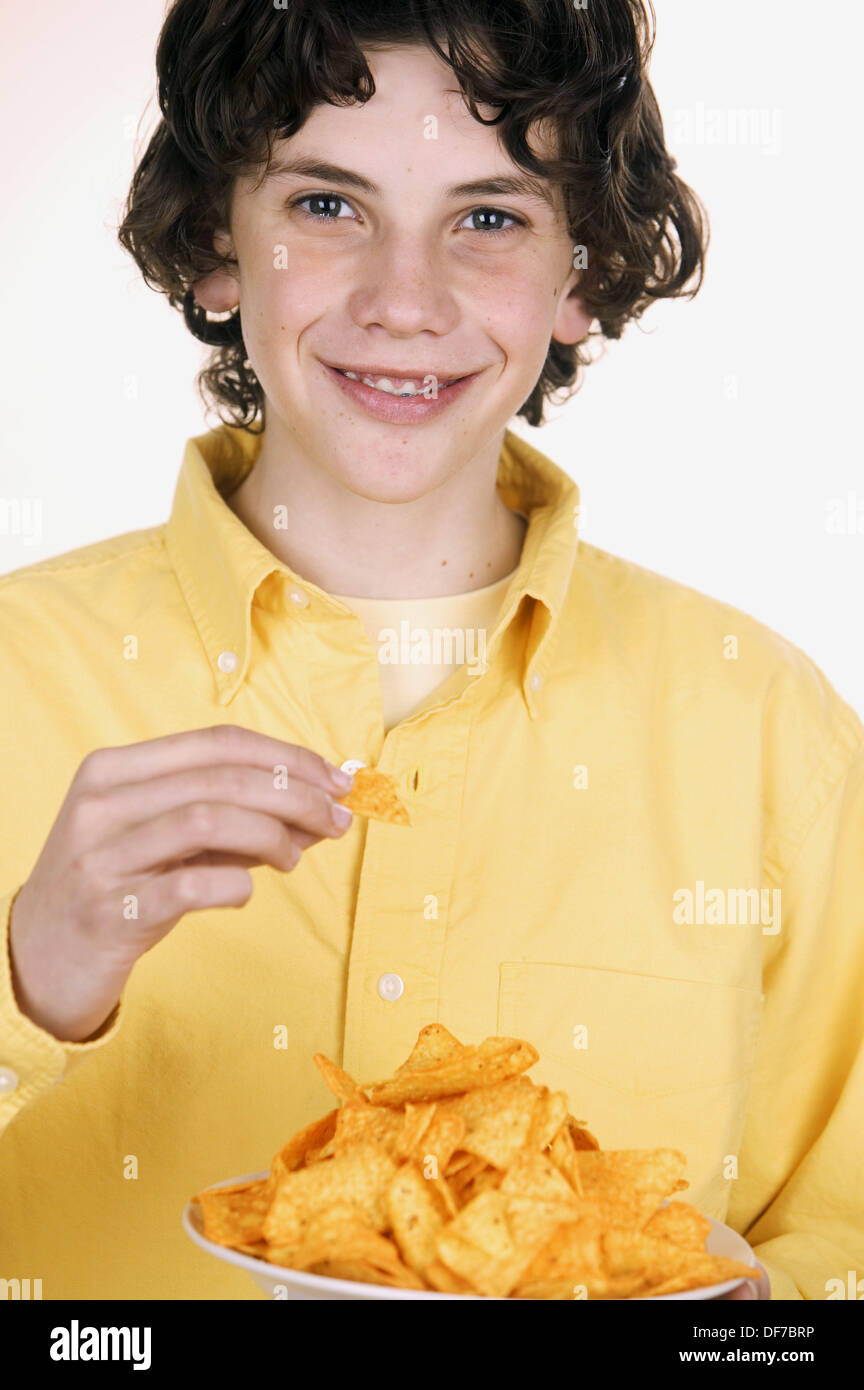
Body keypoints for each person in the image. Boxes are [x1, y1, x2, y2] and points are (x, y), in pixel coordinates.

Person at [1, 0, 860, 1302]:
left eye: (489, 218)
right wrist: (25, 985)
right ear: (216, 246)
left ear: (579, 278)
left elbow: (840, 1237)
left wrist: (756, 1333)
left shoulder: (770, 732)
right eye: (328, 206)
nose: (406, 300)